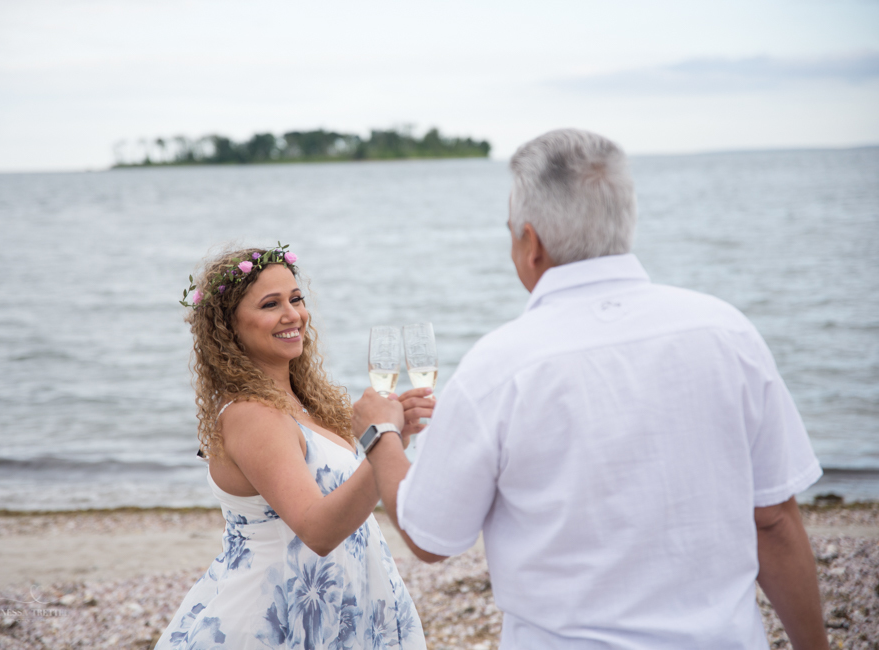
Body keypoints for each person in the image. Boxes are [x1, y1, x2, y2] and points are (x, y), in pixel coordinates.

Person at [354, 129, 829, 649]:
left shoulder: (499, 368)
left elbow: (429, 536)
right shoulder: (727, 332)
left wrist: (380, 436)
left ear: (530, 243)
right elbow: (776, 522)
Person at [157, 245, 427, 650]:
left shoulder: (302, 402)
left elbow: (342, 495)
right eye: (271, 304)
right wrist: (379, 439)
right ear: (228, 328)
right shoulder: (252, 414)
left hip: (334, 610)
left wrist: (391, 441)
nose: (293, 315)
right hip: (274, 623)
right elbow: (317, 531)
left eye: (296, 299)